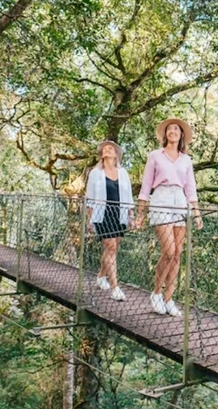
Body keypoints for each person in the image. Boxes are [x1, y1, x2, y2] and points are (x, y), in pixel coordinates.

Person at [135, 118, 202, 316]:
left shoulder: (186, 160)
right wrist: (141, 213)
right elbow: (146, 185)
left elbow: (190, 187)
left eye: (176, 129)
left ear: (181, 135)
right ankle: (156, 293)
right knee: (169, 251)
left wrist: (196, 212)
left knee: (178, 254)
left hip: (180, 202)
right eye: (169, 129)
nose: (172, 131)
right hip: (161, 199)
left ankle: (169, 299)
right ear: (165, 135)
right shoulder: (155, 156)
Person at [85, 140, 134, 301]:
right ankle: (115, 288)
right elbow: (90, 197)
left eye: (110, 148)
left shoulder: (123, 173)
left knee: (112, 248)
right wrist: (89, 219)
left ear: (116, 154)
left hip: (119, 214)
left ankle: (101, 276)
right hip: (102, 214)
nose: (107, 149)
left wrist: (131, 216)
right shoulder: (95, 173)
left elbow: (128, 196)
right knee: (111, 247)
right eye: (105, 148)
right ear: (102, 154)